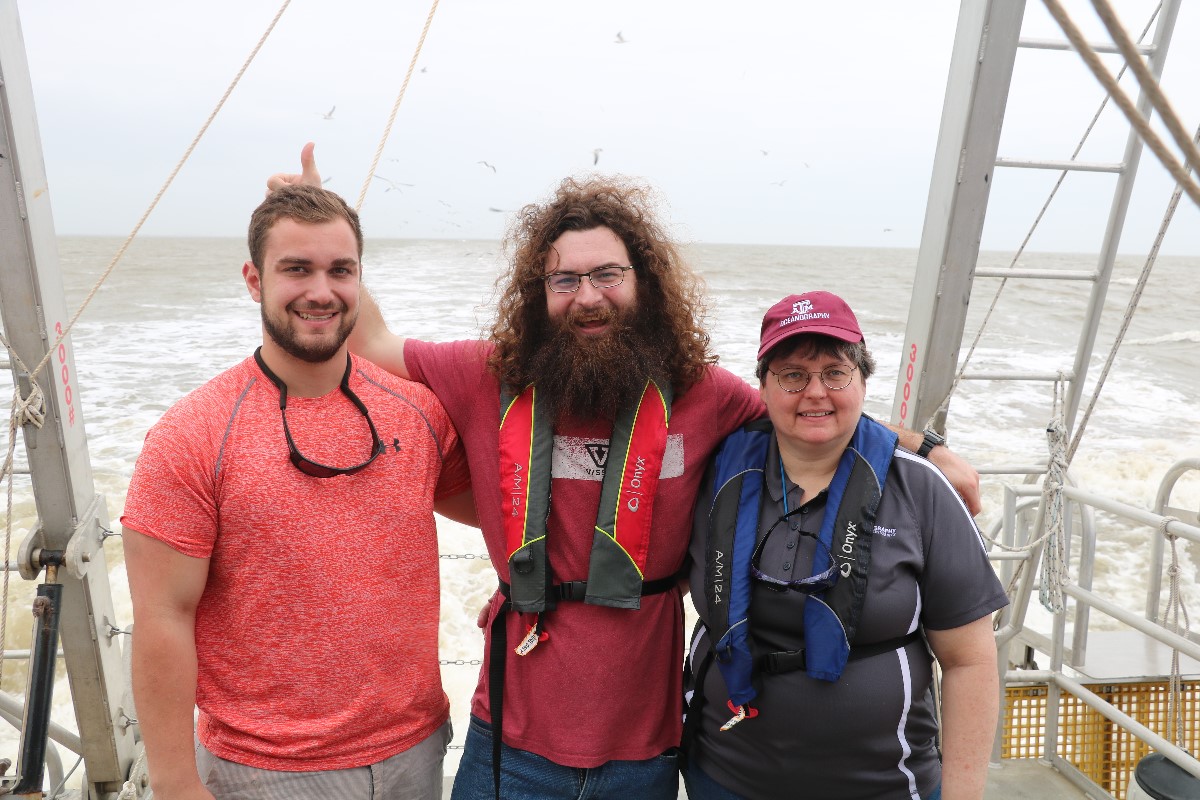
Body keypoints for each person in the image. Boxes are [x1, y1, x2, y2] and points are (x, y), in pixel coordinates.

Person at [268, 146, 984, 800]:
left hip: (644, 751)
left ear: (642, 282)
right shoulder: (487, 374)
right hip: (508, 740)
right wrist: (315, 230)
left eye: (608, 274)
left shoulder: (705, 394)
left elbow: (809, 405)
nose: (588, 296)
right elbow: (370, 341)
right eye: (566, 279)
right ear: (539, 292)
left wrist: (925, 449)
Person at [121, 184, 473, 800]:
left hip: (416, 750)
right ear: (254, 281)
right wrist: (174, 782)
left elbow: (505, 510)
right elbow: (162, 618)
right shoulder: (193, 433)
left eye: (341, 270)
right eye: (296, 269)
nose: (321, 291)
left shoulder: (418, 413)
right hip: (261, 770)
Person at [683, 291, 1007, 800]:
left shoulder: (919, 489)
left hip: (882, 784)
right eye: (792, 375)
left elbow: (970, 661)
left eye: (835, 373)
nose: (815, 393)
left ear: (861, 383)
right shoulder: (713, 477)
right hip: (724, 776)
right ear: (762, 388)